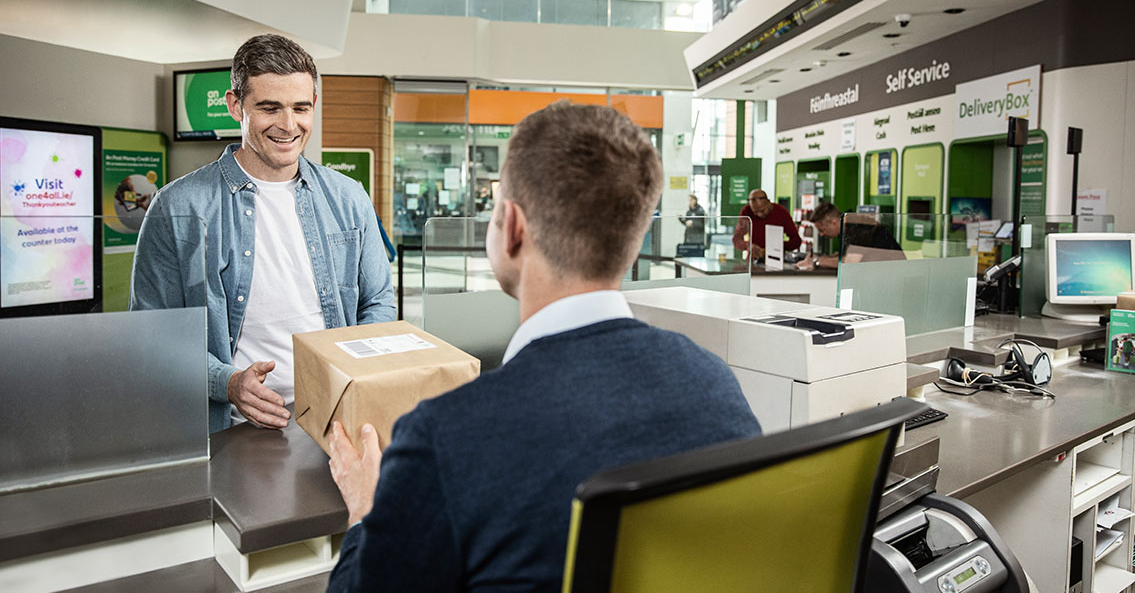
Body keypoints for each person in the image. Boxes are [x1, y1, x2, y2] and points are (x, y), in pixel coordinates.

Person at [326, 102, 761, 592]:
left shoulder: (445, 438)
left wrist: (366, 512)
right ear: (632, 239)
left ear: (511, 226)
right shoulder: (715, 384)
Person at [131, 34, 396, 433]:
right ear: (236, 105)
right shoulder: (177, 208)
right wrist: (228, 382)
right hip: (230, 429)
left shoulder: (348, 197)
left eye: (300, 108)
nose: (288, 125)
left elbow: (377, 302)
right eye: (269, 108)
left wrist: (351, 371)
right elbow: (151, 337)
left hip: (335, 419)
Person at [797, 202, 903, 270]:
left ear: (833, 222)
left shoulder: (858, 227)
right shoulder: (847, 226)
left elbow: (850, 261)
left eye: (822, 229)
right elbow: (845, 256)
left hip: (895, 273)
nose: (821, 234)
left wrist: (817, 261)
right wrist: (820, 258)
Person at [731, 189, 802, 259]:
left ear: (768, 202)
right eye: (755, 212)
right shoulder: (747, 212)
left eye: (762, 210)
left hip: (776, 259)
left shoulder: (781, 212)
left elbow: (796, 241)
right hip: (754, 259)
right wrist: (748, 246)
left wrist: (776, 246)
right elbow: (736, 239)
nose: (759, 215)